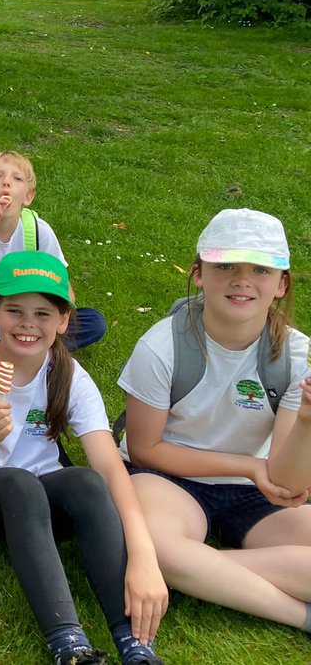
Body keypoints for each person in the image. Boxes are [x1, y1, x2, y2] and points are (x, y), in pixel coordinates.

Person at [0, 251, 167, 665]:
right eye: (14, 310)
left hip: (42, 497)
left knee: (85, 481)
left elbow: (108, 466)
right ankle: (69, 644)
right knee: (18, 482)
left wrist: (143, 555)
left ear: (62, 321)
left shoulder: (68, 375)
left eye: (42, 313)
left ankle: (134, 643)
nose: (27, 324)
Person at [119, 208, 311, 631]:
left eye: (260, 269)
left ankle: (205, 569)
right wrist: (247, 466)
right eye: (225, 266)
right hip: (166, 478)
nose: (242, 280)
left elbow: (287, 482)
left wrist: (308, 423)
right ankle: (299, 615)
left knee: (166, 557)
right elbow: (144, 448)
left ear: (281, 284)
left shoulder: (297, 355)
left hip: (253, 489)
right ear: (199, 274)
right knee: (159, 546)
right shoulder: (161, 345)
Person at [0, 150, 106, 350]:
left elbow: (65, 291)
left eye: (17, 178)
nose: (6, 182)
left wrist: (48, 315)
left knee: (94, 321)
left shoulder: (38, 230)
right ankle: (21, 343)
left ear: (28, 196)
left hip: (20, 310)